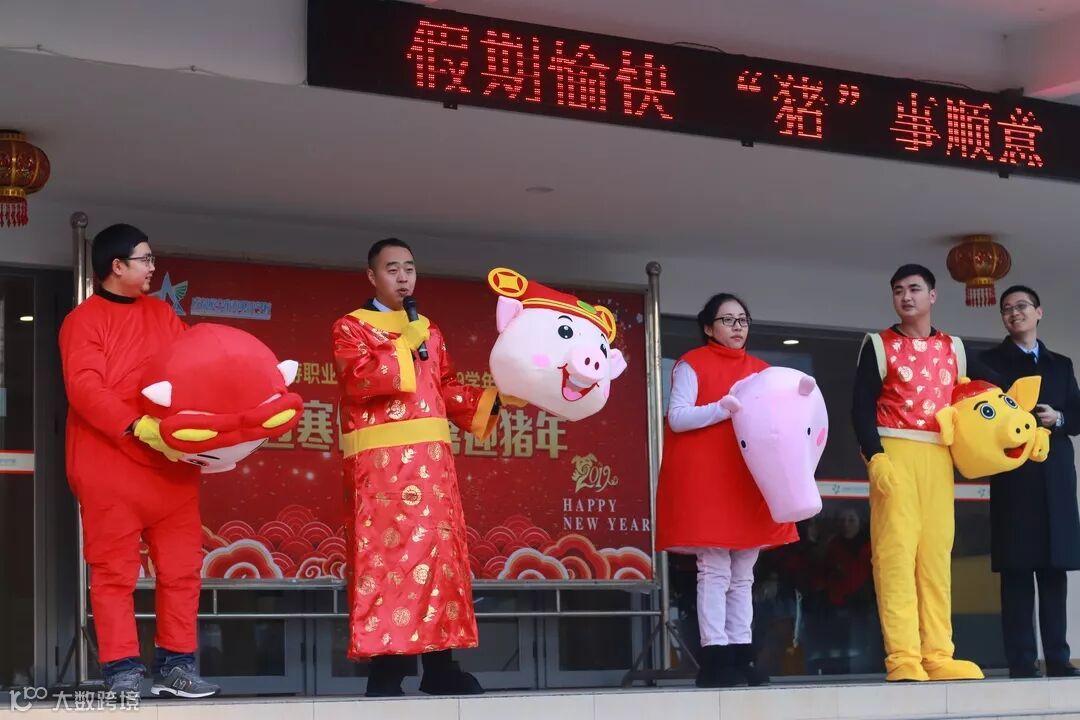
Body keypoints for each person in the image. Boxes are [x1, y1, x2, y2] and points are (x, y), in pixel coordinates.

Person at [331, 238, 511, 697]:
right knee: (388, 563)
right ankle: (387, 672)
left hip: (432, 470)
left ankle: (440, 668)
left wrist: (498, 399)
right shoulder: (351, 327)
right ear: (372, 276)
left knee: (438, 562)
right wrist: (401, 348)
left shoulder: (428, 329)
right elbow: (356, 380)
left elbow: (444, 387)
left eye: (409, 268)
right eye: (392, 269)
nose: (403, 277)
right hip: (381, 473)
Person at [59, 224, 219, 698]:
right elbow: (84, 387)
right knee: (114, 573)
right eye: (145, 259)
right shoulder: (83, 321)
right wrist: (134, 424)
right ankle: (122, 669)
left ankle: (177, 665)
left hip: (170, 468)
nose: (153, 267)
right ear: (117, 266)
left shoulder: (162, 314)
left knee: (182, 570)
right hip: (110, 466)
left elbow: (192, 366)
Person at [655, 293, 797, 688]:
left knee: (744, 575)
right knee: (714, 570)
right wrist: (722, 408)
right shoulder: (692, 363)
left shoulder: (762, 371)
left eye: (742, 320)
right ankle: (715, 657)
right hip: (708, 480)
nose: (737, 327)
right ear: (708, 327)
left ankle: (741, 654)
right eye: (728, 320)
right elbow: (677, 417)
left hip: (748, 479)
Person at [851, 263, 982, 682]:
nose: (905, 297)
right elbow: (860, 408)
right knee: (896, 557)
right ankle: (903, 656)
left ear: (932, 295)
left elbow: (969, 404)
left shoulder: (954, 348)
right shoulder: (879, 345)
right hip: (896, 452)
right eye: (897, 291)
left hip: (939, 458)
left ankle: (938, 654)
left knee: (935, 559)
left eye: (913, 289)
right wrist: (875, 457)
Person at [974, 285, 1080, 678]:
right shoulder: (988, 363)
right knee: (1017, 571)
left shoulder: (1061, 364)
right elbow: (980, 417)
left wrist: (1060, 419)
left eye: (1021, 306)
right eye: (1007, 309)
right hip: (1014, 476)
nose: (1014, 313)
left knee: (1054, 571)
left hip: (1054, 476)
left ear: (1039, 312)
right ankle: (1021, 662)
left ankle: (1059, 658)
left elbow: (1077, 416)